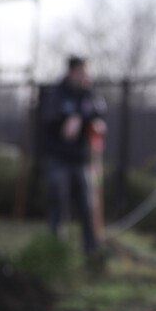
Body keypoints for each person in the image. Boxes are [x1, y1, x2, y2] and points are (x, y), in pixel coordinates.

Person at [42, 55, 106, 257]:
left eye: (87, 72)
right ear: (72, 72)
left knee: (88, 207)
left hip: (82, 160)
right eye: (82, 72)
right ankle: (55, 251)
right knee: (59, 205)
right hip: (59, 159)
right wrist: (66, 120)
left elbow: (99, 110)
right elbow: (50, 119)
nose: (85, 76)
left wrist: (82, 119)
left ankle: (91, 251)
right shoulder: (57, 94)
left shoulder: (89, 94)